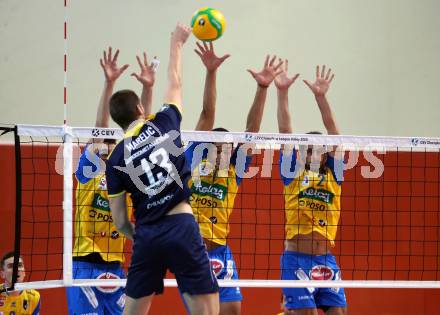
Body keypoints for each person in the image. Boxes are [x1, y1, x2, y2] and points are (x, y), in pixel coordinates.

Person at [105, 23, 219, 315]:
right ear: (142, 109)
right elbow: (176, 82)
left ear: (118, 121)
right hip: (181, 225)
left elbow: (119, 223)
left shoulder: (115, 158)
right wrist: (176, 43)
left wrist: (143, 236)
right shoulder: (164, 122)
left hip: (147, 234)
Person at [185, 42, 283, 315]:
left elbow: (252, 130)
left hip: (221, 251)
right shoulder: (193, 161)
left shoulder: (234, 171)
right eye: (217, 143)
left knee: (232, 311)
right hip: (192, 253)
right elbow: (207, 114)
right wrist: (211, 73)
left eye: (227, 144)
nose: (223, 147)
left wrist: (263, 89)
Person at [67, 46, 157, 315]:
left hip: (116, 265)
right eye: (103, 142)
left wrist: (148, 89)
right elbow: (98, 130)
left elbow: (143, 131)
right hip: (85, 263)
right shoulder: (89, 172)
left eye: (111, 141)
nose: (106, 145)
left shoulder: (125, 173)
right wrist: (109, 84)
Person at [276, 64, 347, 315]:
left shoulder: (334, 175)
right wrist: (282, 92)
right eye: (307, 147)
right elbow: (285, 132)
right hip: (296, 259)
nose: (312, 151)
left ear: (326, 153)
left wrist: (321, 97)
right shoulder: (292, 172)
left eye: (318, 148)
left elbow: (335, 133)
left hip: (326, 260)